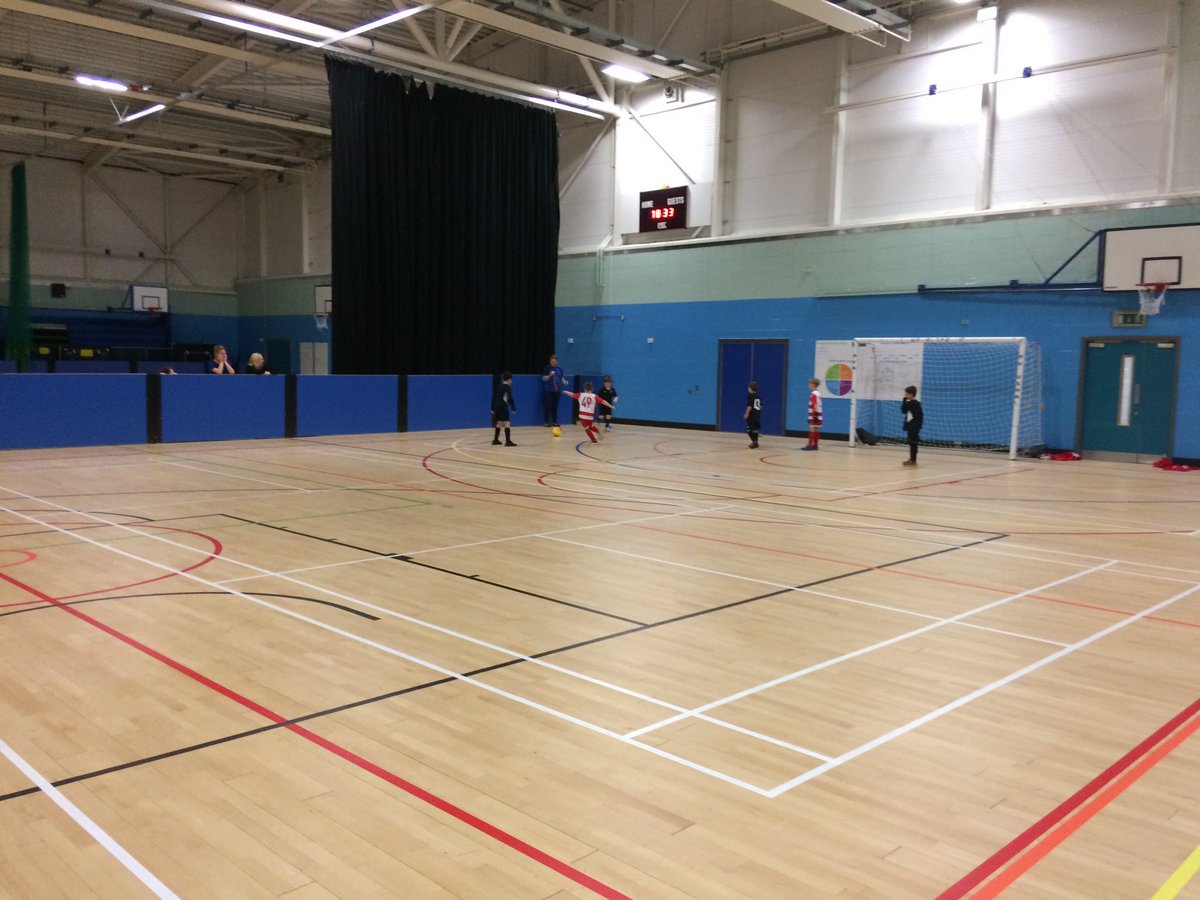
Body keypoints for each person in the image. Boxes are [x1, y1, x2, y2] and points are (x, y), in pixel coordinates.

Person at [491, 372, 517, 446]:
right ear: (509, 379)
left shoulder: (499, 386)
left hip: (497, 406)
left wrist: (493, 408)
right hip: (503, 406)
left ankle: (495, 440)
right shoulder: (507, 387)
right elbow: (510, 397)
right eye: (511, 379)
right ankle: (508, 441)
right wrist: (513, 408)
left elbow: (494, 397)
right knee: (507, 423)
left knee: (499, 422)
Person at [541, 354, 566, 427]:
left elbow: (562, 378)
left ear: (557, 361)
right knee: (548, 406)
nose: (553, 363)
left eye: (555, 361)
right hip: (548, 391)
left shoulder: (560, 369)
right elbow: (543, 379)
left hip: (557, 391)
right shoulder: (547, 368)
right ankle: (546, 422)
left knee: (555, 406)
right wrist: (549, 375)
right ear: (550, 362)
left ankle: (555, 422)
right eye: (552, 362)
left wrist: (564, 381)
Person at [902, 384, 924, 466]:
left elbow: (919, 416)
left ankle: (913, 460)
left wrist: (916, 426)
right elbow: (903, 410)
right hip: (910, 426)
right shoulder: (909, 402)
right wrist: (904, 400)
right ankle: (911, 459)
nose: (905, 394)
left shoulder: (915, 403)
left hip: (914, 426)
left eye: (906, 393)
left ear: (911, 394)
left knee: (914, 443)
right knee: (910, 442)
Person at [802, 377, 822, 450]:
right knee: (816, 430)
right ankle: (815, 445)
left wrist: (813, 415)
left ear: (813, 384)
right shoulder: (818, 393)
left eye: (809, 384)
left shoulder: (814, 394)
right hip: (818, 414)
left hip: (814, 414)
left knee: (812, 429)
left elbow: (814, 404)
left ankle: (810, 445)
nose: (808, 385)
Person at [744, 380, 761, 449]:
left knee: (749, 429)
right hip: (757, 415)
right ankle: (756, 442)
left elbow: (749, 406)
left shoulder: (750, 396)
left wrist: (746, 413)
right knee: (755, 430)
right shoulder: (758, 396)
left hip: (752, 416)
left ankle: (754, 441)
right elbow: (760, 406)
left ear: (750, 388)